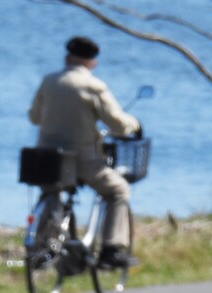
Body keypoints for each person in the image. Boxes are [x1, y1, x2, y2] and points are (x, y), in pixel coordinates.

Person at [28, 36, 142, 267]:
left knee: (51, 191)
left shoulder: (49, 81)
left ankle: (40, 247)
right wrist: (135, 124)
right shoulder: (94, 86)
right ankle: (111, 249)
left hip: (48, 160)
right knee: (119, 190)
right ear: (92, 63)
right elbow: (118, 124)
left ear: (67, 58)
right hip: (82, 160)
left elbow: (34, 116)